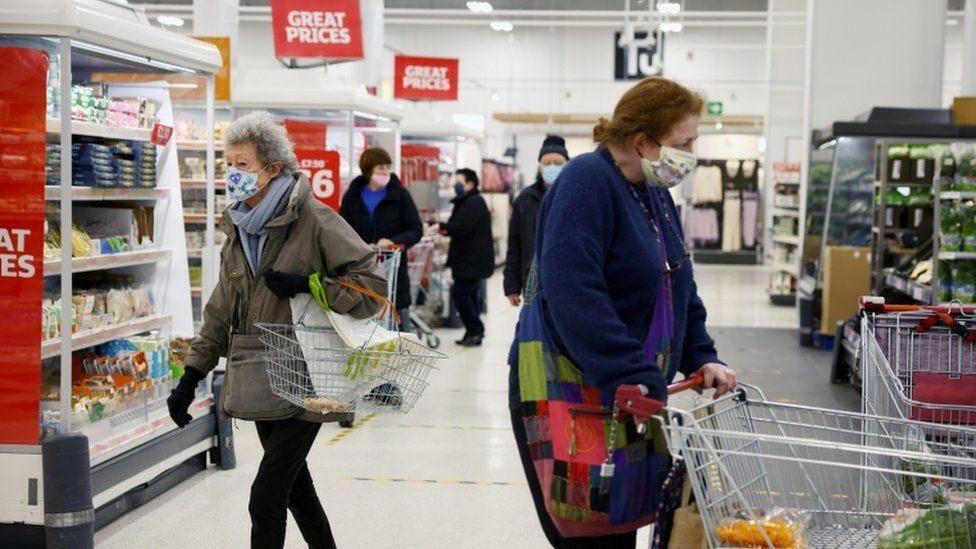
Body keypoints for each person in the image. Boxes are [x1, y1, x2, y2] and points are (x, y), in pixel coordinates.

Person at [507, 77, 738, 548]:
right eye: (684, 142)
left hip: (625, 390)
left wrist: (702, 355)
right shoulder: (585, 183)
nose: (692, 153)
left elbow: (679, 284)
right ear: (642, 141)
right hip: (568, 386)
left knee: (620, 528)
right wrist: (629, 370)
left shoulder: (652, 193)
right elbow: (575, 291)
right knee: (589, 534)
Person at [166, 111, 386, 549]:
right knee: (296, 490)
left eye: (242, 164)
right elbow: (219, 310)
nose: (233, 174)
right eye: (228, 164)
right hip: (261, 375)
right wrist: (190, 377)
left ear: (273, 168)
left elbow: (373, 288)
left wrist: (310, 285)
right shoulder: (239, 230)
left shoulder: (315, 220)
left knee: (265, 496)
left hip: (312, 376)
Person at [339, 147, 423, 329]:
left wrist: (392, 241)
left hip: (393, 271)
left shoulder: (400, 195)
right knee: (364, 322)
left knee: (396, 323)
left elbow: (416, 229)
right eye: (380, 169)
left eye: (387, 167)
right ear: (368, 170)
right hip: (360, 270)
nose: (385, 172)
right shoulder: (352, 196)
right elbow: (341, 229)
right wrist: (358, 245)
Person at [428, 168, 494, 346]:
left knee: (460, 294)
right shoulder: (466, 201)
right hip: (467, 259)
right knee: (469, 295)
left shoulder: (474, 202)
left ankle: (476, 330)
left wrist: (440, 226)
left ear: (470, 184)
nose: (455, 186)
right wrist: (443, 227)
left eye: (459, 182)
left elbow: (461, 226)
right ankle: (472, 332)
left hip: (472, 260)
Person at [503, 135, 569, 307]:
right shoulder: (525, 199)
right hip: (533, 281)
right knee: (535, 331)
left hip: (568, 281)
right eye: (547, 163)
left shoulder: (575, 196)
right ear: (539, 166)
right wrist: (511, 285)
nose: (552, 167)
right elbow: (515, 244)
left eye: (558, 162)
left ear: (567, 165)